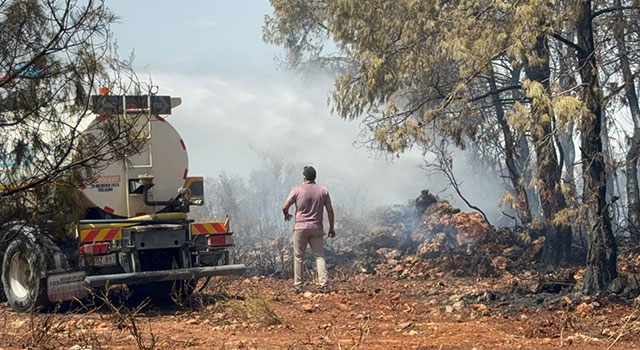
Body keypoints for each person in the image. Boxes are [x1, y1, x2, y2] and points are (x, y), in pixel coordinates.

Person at [282, 165, 335, 294]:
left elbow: (284, 207)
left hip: (300, 227)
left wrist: (286, 214)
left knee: (299, 257)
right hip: (317, 228)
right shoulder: (323, 190)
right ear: (314, 177)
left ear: (304, 177)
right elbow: (329, 210)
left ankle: (298, 287)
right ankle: (324, 286)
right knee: (319, 257)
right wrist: (332, 227)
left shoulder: (297, 189)